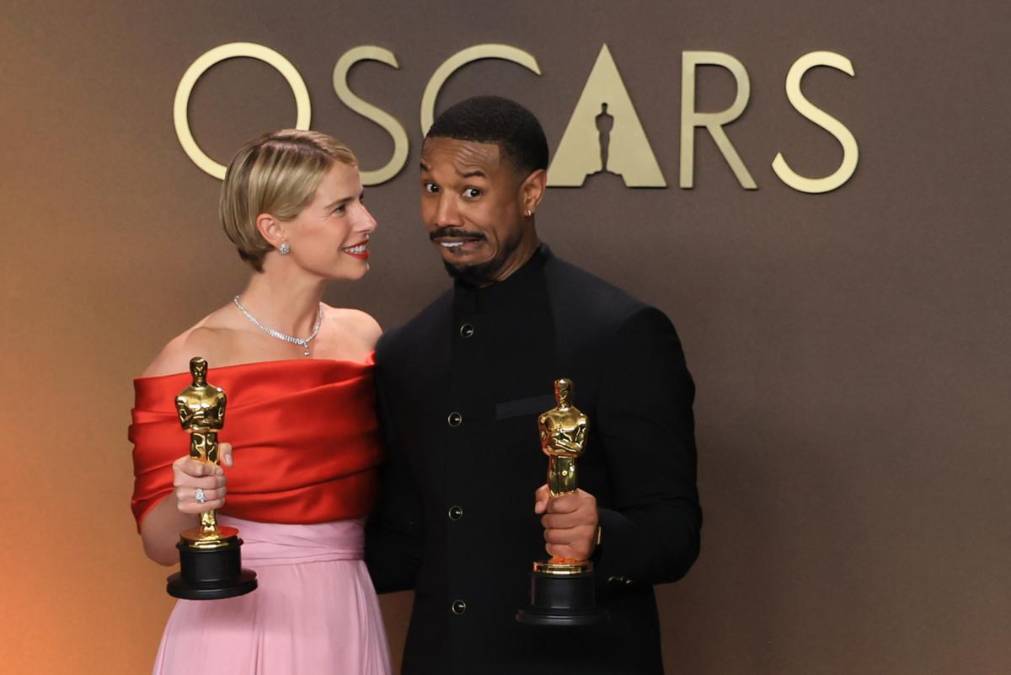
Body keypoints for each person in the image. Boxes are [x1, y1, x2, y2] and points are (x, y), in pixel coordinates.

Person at [366, 96, 702, 674]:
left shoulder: (620, 332)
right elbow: (401, 544)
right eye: (431, 188)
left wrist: (600, 533)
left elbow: (675, 532)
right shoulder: (404, 353)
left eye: (472, 191)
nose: (444, 215)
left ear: (531, 193)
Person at [129, 129, 390, 674]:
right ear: (274, 230)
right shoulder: (192, 358)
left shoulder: (364, 338)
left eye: (361, 201)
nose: (367, 221)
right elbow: (158, 544)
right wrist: (190, 494)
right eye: (341, 207)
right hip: (235, 627)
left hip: (345, 613)